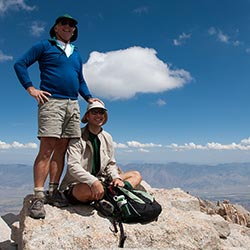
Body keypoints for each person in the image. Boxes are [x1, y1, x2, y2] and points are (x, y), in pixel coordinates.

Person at [14, 14, 100, 219]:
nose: (68, 27)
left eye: (72, 25)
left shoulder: (76, 54)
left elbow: (80, 80)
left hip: (73, 104)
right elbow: (20, 64)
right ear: (55, 27)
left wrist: (88, 97)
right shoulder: (45, 46)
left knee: (62, 149)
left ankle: (53, 191)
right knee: (47, 148)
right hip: (51, 102)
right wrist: (31, 88)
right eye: (64, 23)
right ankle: (37, 196)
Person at [60, 101, 142, 204]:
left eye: (101, 112)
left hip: (102, 180)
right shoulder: (78, 136)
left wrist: (116, 178)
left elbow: (110, 163)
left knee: (136, 175)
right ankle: (114, 195)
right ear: (87, 116)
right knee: (86, 191)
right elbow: (73, 166)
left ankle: (109, 193)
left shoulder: (107, 137)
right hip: (80, 183)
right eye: (94, 112)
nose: (98, 115)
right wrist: (93, 181)